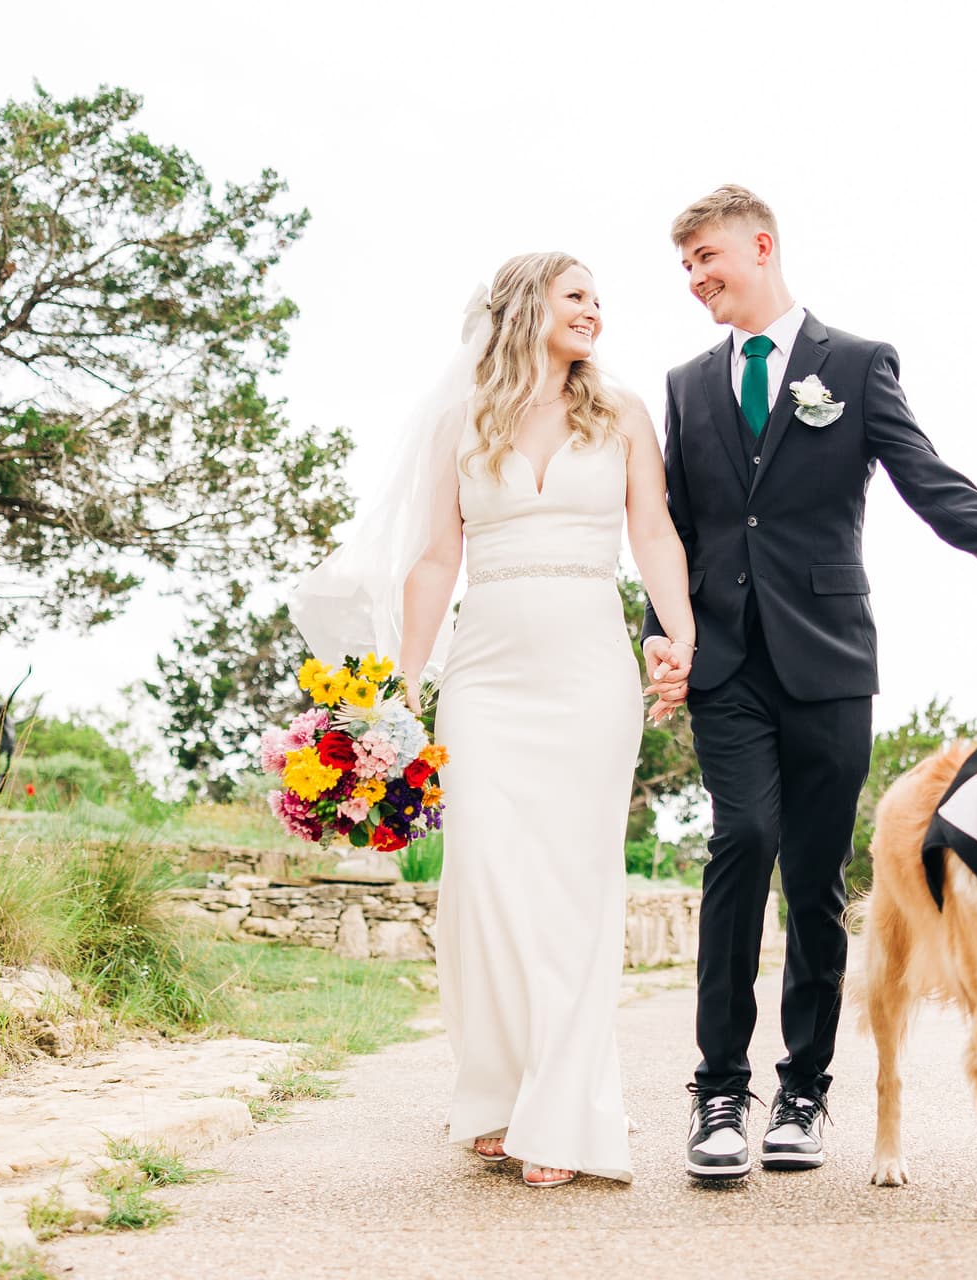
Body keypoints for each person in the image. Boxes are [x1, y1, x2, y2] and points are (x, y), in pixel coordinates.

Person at [640, 186, 977, 1181]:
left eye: (706, 258)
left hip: (829, 659)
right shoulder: (684, 385)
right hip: (725, 659)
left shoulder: (854, 364)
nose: (695, 279)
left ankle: (803, 1089)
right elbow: (667, 525)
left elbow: (929, 482)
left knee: (813, 873)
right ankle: (718, 1091)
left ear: (761, 246)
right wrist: (662, 633)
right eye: (684, 267)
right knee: (742, 838)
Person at [294, 252, 695, 1187]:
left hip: (592, 671)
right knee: (485, 880)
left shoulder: (624, 414)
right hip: (486, 675)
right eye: (576, 296)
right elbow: (435, 562)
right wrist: (397, 690)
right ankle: (496, 1093)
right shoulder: (462, 421)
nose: (596, 310)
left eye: (599, 298)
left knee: (574, 885)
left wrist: (683, 636)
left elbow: (655, 533)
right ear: (525, 309)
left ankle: (560, 1115)